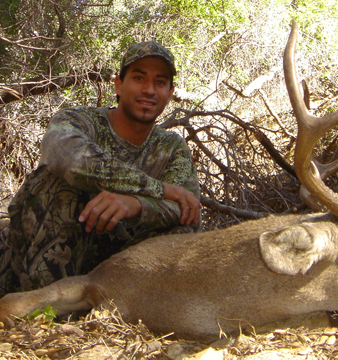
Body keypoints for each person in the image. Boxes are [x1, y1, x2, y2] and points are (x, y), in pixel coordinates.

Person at [0, 41, 201, 294]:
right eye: (139, 78)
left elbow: (187, 207)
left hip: (114, 265)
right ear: (118, 84)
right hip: (25, 262)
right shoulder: (77, 120)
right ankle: (44, 303)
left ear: (170, 93)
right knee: (59, 183)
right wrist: (156, 188)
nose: (149, 90)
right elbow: (70, 160)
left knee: (183, 228)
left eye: (160, 82)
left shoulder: (171, 146)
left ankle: (141, 307)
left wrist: (135, 205)